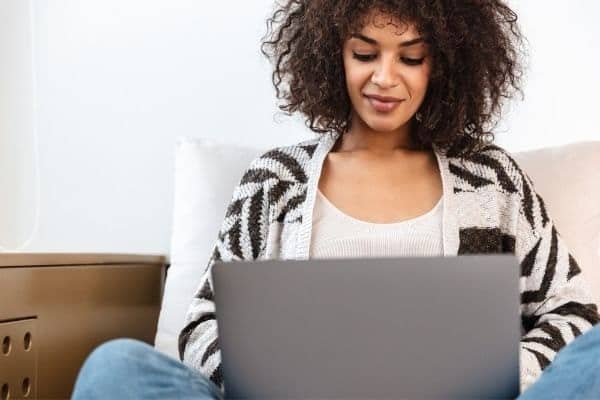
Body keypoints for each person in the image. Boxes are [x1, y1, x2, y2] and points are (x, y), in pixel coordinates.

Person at [72, 1, 600, 399]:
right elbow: (203, 323)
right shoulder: (274, 182)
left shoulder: (490, 180)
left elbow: (574, 312)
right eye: (365, 53)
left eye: (411, 57)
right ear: (333, 56)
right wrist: (275, 380)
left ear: (442, 65)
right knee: (116, 367)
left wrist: (502, 374)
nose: (385, 78)